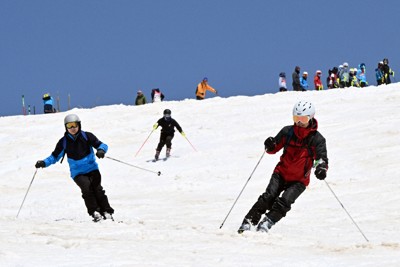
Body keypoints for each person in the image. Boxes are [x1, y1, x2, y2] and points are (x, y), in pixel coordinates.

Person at [238, 100, 328, 234]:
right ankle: (249, 221)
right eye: (296, 118)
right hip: (281, 173)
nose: (299, 122)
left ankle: (267, 223)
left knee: (284, 202)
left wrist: (321, 168)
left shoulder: (317, 139)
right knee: (268, 197)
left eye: (303, 119)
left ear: (310, 118)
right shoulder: (288, 132)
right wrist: (270, 144)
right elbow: (273, 148)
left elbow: (320, 158)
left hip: (299, 180)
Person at [35, 114, 114, 222]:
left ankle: (107, 211)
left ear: (79, 125)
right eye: (69, 126)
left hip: (92, 168)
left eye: (75, 125)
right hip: (78, 173)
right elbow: (54, 157)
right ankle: (95, 212)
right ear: (66, 127)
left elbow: (102, 144)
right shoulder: (64, 142)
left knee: (97, 189)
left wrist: (101, 150)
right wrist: (44, 163)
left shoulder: (87, 136)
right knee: (87, 189)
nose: (72, 128)